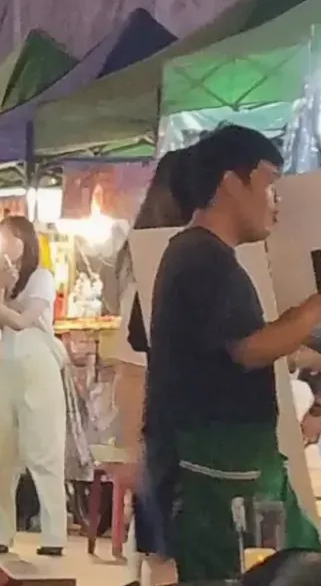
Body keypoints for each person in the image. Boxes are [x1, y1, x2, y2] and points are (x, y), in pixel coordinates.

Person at [144, 125, 321, 582]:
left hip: (238, 465)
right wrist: (318, 306)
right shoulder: (201, 257)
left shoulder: (204, 256)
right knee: (272, 572)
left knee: (296, 568)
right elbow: (251, 348)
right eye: (269, 184)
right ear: (231, 183)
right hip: (218, 471)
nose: (277, 201)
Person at [108, 147, 193, 585]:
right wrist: (131, 451)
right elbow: (132, 369)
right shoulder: (154, 271)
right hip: (169, 446)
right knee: (167, 562)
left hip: (175, 444)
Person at [0, 215, 68, 556]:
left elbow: (21, 321)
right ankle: (1, 533)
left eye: (9, 239)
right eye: (0, 239)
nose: (4, 246)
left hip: (38, 365)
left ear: (26, 241)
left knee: (43, 451)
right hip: (6, 365)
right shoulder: (0, 280)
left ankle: (54, 536)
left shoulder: (42, 277)